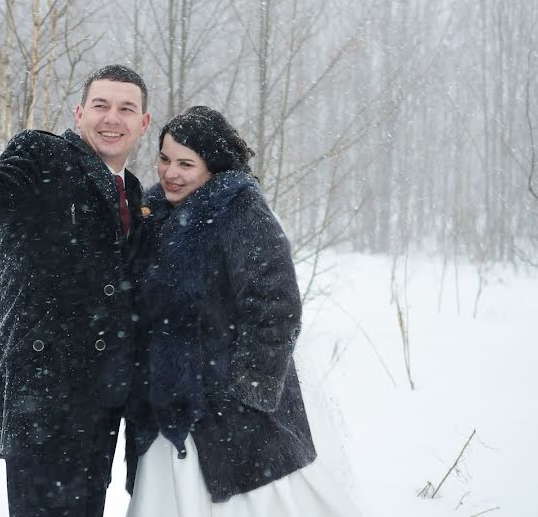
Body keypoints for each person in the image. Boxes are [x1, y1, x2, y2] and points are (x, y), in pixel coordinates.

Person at [0, 64, 151, 517]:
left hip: (100, 409)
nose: (112, 118)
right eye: (101, 105)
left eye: (126, 109)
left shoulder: (133, 191)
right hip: (44, 404)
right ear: (80, 111)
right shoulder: (44, 155)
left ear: (143, 123)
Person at [124, 106, 362, 516]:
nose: (170, 173)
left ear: (212, 168)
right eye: (164, 159)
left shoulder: (240, 211)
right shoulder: (154, 214)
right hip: (163, 404)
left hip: (229, 412)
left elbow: (277, 304)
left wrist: (249, 387)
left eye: (186, 163)